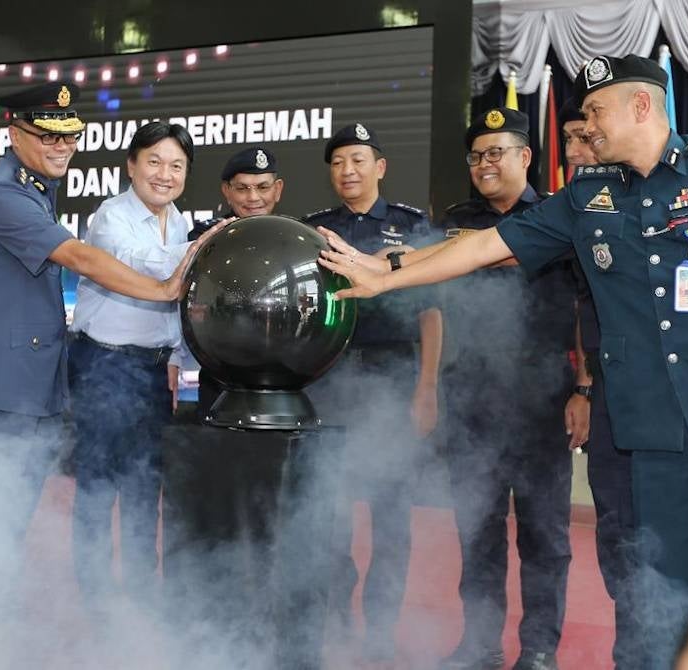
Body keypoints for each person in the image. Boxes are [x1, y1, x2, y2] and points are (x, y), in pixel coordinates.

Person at [318, 55, 688, 670]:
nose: (586, 125)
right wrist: (387, 275)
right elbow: (488, 245)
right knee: (666, 600)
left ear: (641, 106)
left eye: (595, 111)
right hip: (654, 432)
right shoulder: (587, 196)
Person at [0, 83, 211, 612]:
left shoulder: (35, 185)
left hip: (33, 375)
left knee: (13, 509)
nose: (60, 145)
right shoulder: (5, 193)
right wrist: (166, 288)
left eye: (68, 135)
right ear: (13, 132)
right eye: (45, 134)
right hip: (6, 380)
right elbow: (82, 258)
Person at [436, 107, 573, 670]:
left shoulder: (560, 216)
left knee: (545, 533)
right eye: (476, 155)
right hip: (470, 398)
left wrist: (583, 389)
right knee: (477, 529)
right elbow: (435, 309)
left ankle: (540, 648)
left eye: (497, 152)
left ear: (525, 157)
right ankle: (479, 645)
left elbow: (587, 309)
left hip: (542, 396)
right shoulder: (450, 221)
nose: (485, 163)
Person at [302, 122, 442, 664]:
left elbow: (432, 312)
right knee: (327, 509)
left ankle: (381, 626)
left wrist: (426, 389)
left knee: (390, 514)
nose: (348, 171)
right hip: (331, 380)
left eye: (358, 160)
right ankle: (337, 607)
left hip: (392, 377)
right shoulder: (314, 231)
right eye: (338, 162)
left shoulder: (411, 226)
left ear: (379, 166)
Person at [67, 121, 214, 612]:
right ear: (130, 165)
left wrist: (179, 362)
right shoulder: (110, 218)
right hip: (103, 366)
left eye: (176, 165)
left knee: (143, 483)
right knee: (97, 481)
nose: (164, 174)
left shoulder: (178, 220)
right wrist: (206, 248)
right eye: (154, 161)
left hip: (152, 371)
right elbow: (148, 265)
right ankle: (92, 594)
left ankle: (140, 589)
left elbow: (176, 302)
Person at [558, 97, 637, 669]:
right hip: (606, 393)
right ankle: (633, 646)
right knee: (615, 530)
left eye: (589, 137)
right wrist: (585, 389)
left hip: (664, 396)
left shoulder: (642, 200)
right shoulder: (570, 210)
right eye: (570, 140)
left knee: (657, 535)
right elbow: (581, 312)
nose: (580, 149)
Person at [178, 146, 284, 415]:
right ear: (226, 190)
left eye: (263, 187)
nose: (253, 197)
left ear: (278, 189)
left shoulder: (295, 240)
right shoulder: (205, 238)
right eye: (242, 188)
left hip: (283, 378)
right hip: (220, 376)